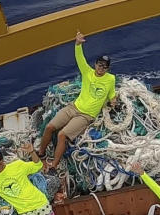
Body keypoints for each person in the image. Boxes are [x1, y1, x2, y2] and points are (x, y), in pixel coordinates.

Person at [37, 30, 117, 171]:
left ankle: (54, 165)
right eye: (99, 64)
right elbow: (80, 58)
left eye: (104, 66)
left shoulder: (111, 79)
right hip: (73, 107)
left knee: (62, 135)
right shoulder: (87, 72)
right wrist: (78, 44)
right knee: (50, 127)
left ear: (108, 69)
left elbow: (111, 93)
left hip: (86, 116)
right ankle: (41, 153)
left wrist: (113, 100)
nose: (101, 68)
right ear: (95, 64)